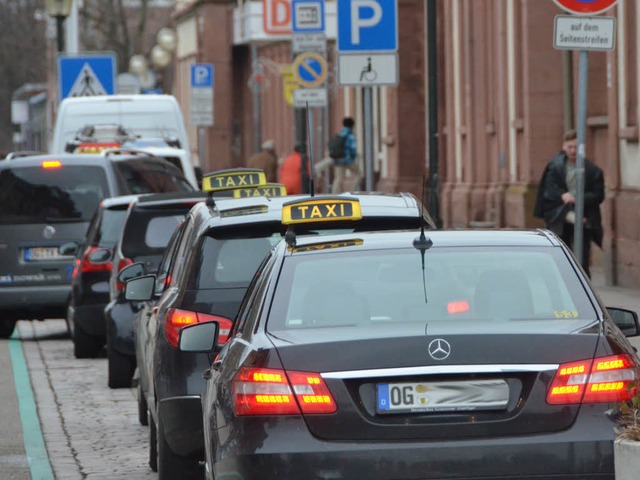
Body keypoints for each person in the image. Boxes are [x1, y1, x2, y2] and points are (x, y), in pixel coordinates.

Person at [533, 129, 604, 277]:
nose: (573, 150)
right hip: (559, 216)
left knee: (582, 258)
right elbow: (548, 190)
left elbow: (598, 195)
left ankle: (583, 286)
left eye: (576, 147)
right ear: (564, 146)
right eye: (570, 147)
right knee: (561, 254)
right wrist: (562, 195)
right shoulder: (555, 167)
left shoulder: (592, 170)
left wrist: (578, 199)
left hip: (584, 217)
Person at [331, 117, 361, 193]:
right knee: (359, 173)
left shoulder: (341, 133)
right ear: (352, 125)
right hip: (347, 160)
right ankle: (353, 191)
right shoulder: (350, 134)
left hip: (338, 159)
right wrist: (353, 157)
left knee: (338, 178)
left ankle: (334, 194)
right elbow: (353, 147)